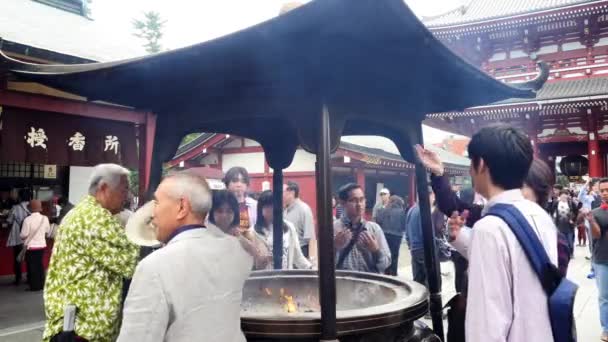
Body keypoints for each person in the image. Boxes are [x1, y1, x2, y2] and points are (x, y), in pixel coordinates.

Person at [447, 124, 557, 342]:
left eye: (472, 162)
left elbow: (486, 324)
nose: (470, 170)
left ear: (482, 165)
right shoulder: (540, 216)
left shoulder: (489, 228)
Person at [118, 172, 253, 342]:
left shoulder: (154, 267)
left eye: (157, 202)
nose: (153, 213)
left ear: (182, 208)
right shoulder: (236, 251)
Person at [43, 164, 140, 342]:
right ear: (104, 188)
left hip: (76, 324)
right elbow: (132, 264)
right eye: (124, 189)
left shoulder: (83, 212)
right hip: (85, 328)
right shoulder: (95, 218)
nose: (127, 196)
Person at [334, 183, 391, 273]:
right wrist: (334, 247)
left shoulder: (374, 229)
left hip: (369, 284)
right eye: (353, 200)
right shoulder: (333, 229)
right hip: (343, 284)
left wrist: (376, 251)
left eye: (362, 199)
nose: (359, 204)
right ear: (342, 203)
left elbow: (385, 264)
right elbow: (324, 266)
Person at [208, 189, 270, 270]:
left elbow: (261, 263)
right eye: (219, 211)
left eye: (229, 211)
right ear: (212, 213)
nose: (224, 215)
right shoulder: (204, 236)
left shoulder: (247, 235)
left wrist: (244, 242)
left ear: (235, 213)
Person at [255, 190, 311, 270]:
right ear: (260, 209)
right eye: (267, 206)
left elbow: (297, 256)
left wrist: (310, 269)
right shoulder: (253, 232)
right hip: (264, 280)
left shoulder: (289, 227)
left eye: (275, 206)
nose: (272, 210)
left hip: (285, 278)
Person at [589, 178, 608, 341]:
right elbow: (596, 235)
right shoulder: (595, 213)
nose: (604, 193)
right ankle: (607, 329)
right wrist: (590, 220)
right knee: (604, 297)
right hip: (602, 260)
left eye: (607, 189)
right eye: (602, 190)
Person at [19, 199, 50, 291]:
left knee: (32, 266)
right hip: (42, 245)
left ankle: (34, 286)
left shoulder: (27, 220)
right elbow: (47, 231)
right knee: (39, 265)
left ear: (30, 209)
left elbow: (23, 234)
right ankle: (41, 284)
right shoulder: (45, 218)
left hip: (31, 247)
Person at [375, 195, 407, 276]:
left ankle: (386, 271)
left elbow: (378, 220)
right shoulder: (402, 212)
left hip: (385, 234)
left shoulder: (383, 210)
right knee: (395, 255)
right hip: (397, 235)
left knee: (385, 253)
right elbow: (404, 225)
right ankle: (393, 272)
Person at [283, 181, 315, 258]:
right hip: (286, 252)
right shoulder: (285, 209)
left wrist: (312, 260)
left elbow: (311, 238)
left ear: (292, 192)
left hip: (301, 253)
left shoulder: (304, 209)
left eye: (282, 192)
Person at [223, 167, 257, 233]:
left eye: (243, 181)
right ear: (227, 184)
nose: (239, 185)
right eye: (235, 181)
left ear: (247, 185)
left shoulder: (255, 205)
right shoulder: (219, 204)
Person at [553, 190, 576, 257]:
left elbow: (576, 212)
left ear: (567, 196)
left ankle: (571, 253)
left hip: (569, 225)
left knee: (570, 241)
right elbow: (551, 211)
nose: (564, 196)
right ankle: (564, 253)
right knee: (562, 241)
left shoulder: (571, 203)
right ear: (559, 196)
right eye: (562, 195)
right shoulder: (556, 203)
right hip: (559, 225)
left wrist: (573, 219)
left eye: (565, 195)